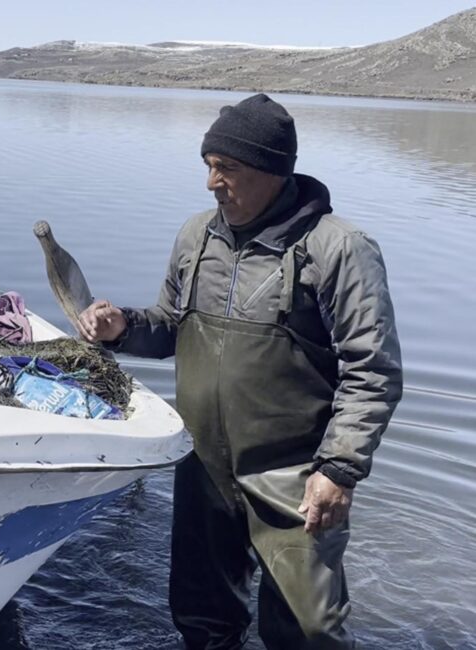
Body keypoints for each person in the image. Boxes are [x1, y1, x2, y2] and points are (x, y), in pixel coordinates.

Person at [78, 93, 403, 649]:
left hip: (295, 476)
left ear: (274, 171)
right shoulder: (196, 237)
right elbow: (173, 326)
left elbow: (372, 369)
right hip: (203, 468)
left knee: (309, 631)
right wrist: (122, 327)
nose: (211, 182)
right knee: (203, 620)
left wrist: (339, 469)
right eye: (208, 166)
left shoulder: (340, 249)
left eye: (226, 168)